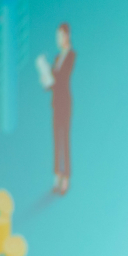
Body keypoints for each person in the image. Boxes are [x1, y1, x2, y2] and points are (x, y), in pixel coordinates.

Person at [48, 22, 76, 194]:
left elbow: (62, 77)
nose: (57, 39)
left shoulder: (71, 55)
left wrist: (52, 76)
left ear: (66, 36)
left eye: (60, 36)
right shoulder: (57, 58)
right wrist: (46, 79)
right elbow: (52, 83)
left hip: (65, 103)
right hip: (56, 103)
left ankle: (66, 178)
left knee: (64, 139)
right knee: (56, 141)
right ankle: (57, 175)